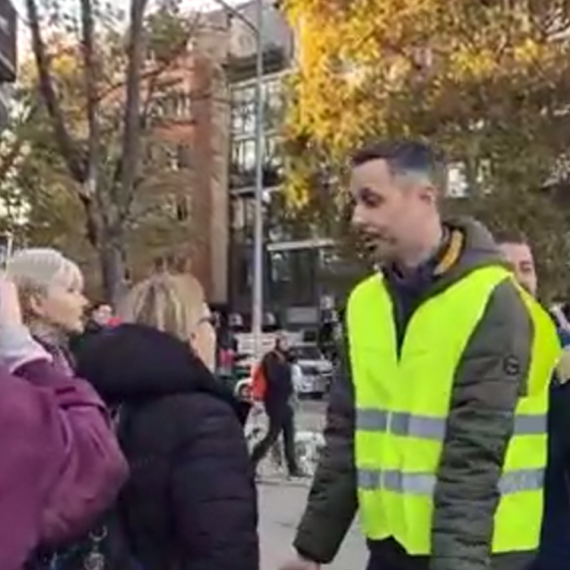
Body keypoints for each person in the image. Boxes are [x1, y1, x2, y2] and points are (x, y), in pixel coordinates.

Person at [280, 141, 560, 570]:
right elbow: (346, 437)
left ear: (425, 197)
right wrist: (310, 552)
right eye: (355, 203)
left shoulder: (492, 301)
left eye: (372, 201)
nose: (358, 218)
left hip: (483, 556)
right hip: (394, 550)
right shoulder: (365, 303)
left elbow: (473, 460)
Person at [74, 273, 259, 570]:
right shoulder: (205, 418)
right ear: (191, 334)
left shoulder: (89, 399)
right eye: (208, 322)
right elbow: (222, 545)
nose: (213, 333)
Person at [0, 275, 127, 570]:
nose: (84, 301)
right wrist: (23, 354)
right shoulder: (27, 379)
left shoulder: (71, 356)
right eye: (71, 290)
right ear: (36, 303)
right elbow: (95, 460)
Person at [498, 232, 570, 570]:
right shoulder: (459, 355)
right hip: (485, 546)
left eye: (526, 269)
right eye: (505, 270)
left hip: (552, 546)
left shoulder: (565, 355)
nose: (519, 280)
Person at [251, 334, 302, 477]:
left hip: (285, 402)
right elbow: (274, 378)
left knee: (289, 435)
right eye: (284, 341)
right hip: (274, 401)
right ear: (278, 343)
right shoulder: (271, 358)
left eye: (288, 341)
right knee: (272, 435)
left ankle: (293, 468)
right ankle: (252, 462)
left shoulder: (285, 359)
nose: (287, 344)